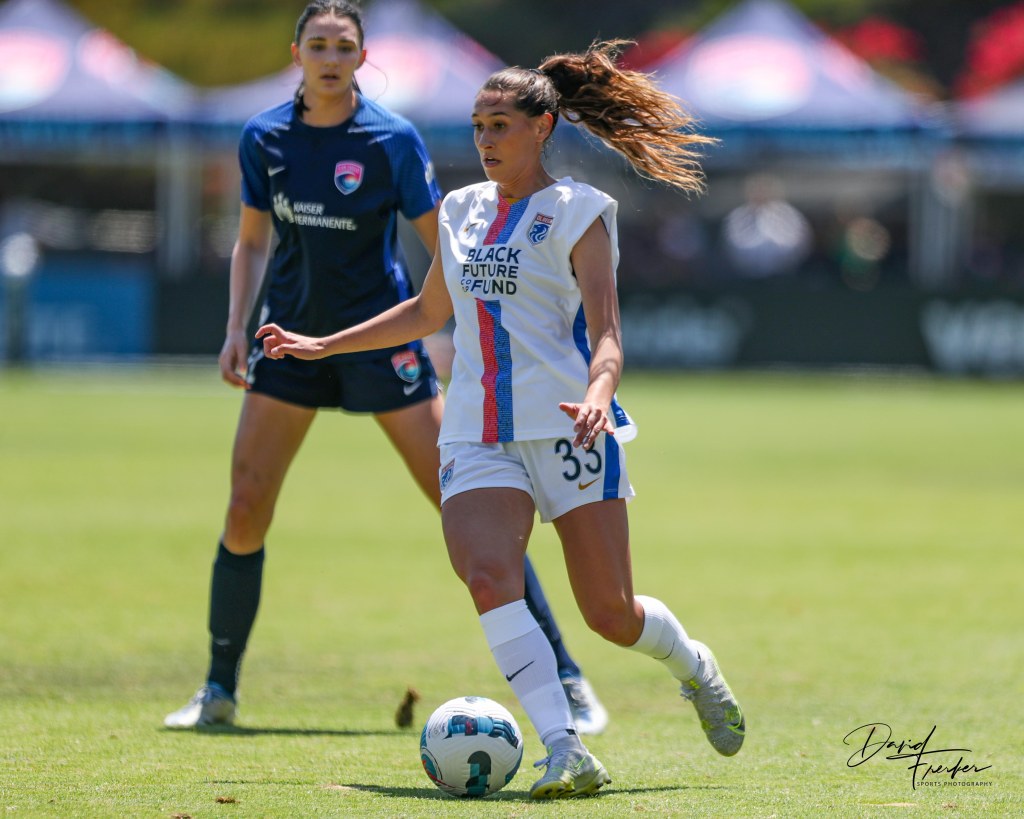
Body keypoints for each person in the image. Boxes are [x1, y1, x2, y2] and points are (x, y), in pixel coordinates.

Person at [256, 40, 745, 799]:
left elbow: (608, 334)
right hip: (476, 430)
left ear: (541, 128)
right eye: (478, 127)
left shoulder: (580, 211)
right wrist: (324, 343)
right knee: (488, 577)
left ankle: (695, 666)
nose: (485, 141)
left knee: (610, 614)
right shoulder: (459, 210)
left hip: (570, 427)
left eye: (500, 126)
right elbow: (427, 312)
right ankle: (566, 749)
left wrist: (597, 393)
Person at [163, 0, 607, 735]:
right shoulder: (263, 136)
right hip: (288, 342)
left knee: (469, 504)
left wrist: (469, 333)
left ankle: (566, 673)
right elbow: (251, 240)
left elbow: (450, 248)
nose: (330, 58)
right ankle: (218, 688)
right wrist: (236, 328)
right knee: (246, 505)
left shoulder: (391, 139)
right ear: (296, 53)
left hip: (385, 345)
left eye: (344, 46)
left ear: (362, 57)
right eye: (318, 44)